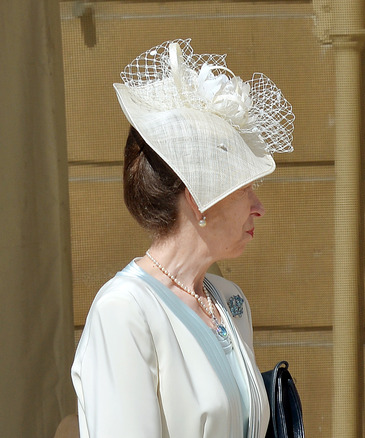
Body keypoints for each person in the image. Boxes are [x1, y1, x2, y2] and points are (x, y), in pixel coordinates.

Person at [71, 39, 294, 438]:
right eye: (245, 189)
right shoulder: (124, 311)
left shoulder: (229, 301)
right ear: (198, 196)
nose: (258, 207)